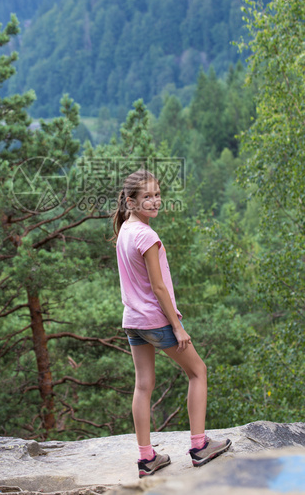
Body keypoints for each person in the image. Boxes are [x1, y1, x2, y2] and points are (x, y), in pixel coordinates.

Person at [113, 169, 231, 478]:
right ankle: (199, 446)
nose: (154, 202)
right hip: (155, 320)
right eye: (147, 197)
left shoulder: (125, 229)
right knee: (198, 372)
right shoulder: (147, 236)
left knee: (143, 385)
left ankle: (146, 458)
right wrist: (177, 327)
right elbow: (159, 287)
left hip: (133, 321)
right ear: (131, 201)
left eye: (157, 195)